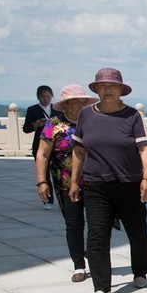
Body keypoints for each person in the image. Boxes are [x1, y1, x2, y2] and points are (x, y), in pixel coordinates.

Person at [68, 68, 147, 293]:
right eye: (103, 86)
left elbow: (145, 148)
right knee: (96, 235)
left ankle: (139, 271)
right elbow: (78, 150)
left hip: (129, 183)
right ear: (95, 90)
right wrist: (74, 181)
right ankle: (101, 285)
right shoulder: (86, 115)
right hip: (96, 185)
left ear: (120, 90)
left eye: (113, 87)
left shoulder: (132, 116)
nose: (107, 90)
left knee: (137, 232)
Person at [35, 84, 96, 280]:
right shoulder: (53, 124)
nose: (80, 104)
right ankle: (79, 265)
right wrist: (42, 182)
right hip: (66, 183)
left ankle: (93, 254)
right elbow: (42, 155)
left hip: (96, 180)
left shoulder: (93, 122)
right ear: (66, 104)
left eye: (83, 101)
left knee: (98, 223)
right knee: (74, 223)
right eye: (76, 101)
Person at [24, 85, 56, 206]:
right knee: (44, 173)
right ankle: (48, 200)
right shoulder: (32, 110)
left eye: (48, 96)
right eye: (43, 96)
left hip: (56, 144)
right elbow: (26, 129)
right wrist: (35, 125)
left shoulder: (57, 109)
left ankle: (63, 199)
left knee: (59, 173)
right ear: (38, 97)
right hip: (40, 144)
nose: (46, 99)